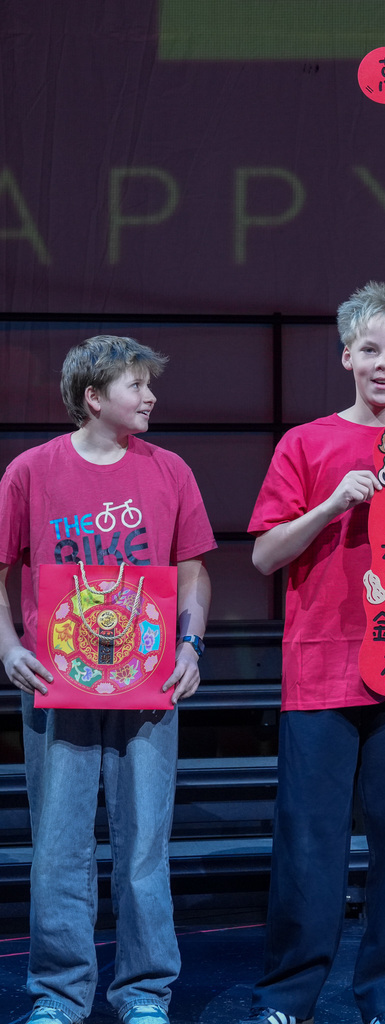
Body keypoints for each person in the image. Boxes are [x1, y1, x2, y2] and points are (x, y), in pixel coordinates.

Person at [239, 283, 385, 1024]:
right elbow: (265, 557)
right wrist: (332, 503)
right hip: (320, 670)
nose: (382, 363)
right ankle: (288, 997)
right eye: (369, 349)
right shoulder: (305, 443)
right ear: (347, 355)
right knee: (308, 848)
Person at [0, 335, 215, 1024]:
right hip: (56, 686)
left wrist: (191, 647)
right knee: (59, 849)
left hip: (148, 686)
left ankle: (145, 991)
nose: (150, 396)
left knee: (144, 846)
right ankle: (59, 996)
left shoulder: (171, 471)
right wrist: (6, 646)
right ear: (93, 398)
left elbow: (194, 570)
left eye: (150, 384)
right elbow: (3, 571)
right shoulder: (31, 472)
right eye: (136, 385)